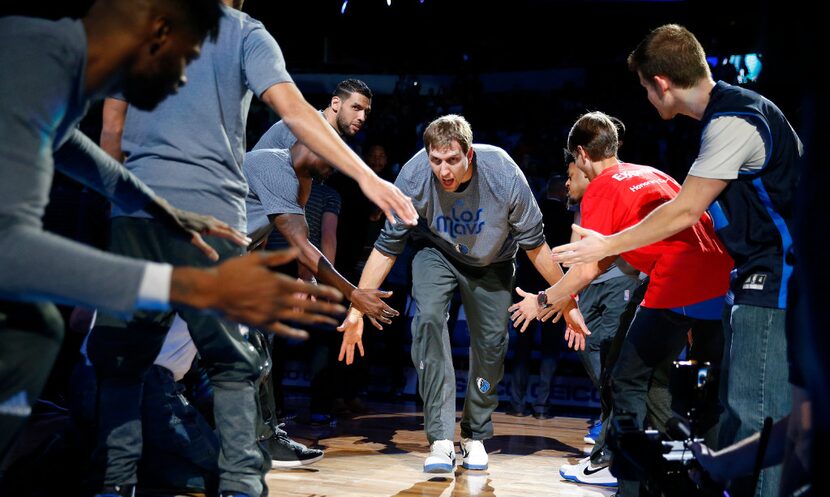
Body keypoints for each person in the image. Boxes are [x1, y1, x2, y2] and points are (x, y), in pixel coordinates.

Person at [0, 0, 344, 463]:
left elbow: (76, 146)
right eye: (181, 63)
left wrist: (154, 209)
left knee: (44, 328)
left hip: (161, 239)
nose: (183, 79)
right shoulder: (35, 58)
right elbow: (15, 251)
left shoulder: (64, 78)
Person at [86, 6, 410, 497]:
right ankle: (239, 480)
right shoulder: (246, 40)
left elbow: (111, 131)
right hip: (208, 213)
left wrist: (121, 208)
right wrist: (369, 178)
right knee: (232, 362)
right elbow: (297, 117)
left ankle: (120, 482)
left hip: (141, 208)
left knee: (129, 360)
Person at [551, 25, 802, 497]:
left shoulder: (735, 119)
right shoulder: (727, 118)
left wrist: (604, 245)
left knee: (754, 415)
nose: (646, 98)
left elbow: (685, 210)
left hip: (773, 280)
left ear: (661, 82)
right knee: (736, 412)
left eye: (645, 88)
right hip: (741, 278)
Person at [337, 114, 587, 473]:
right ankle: (440, 439)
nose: (443, 170)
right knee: (426, 321)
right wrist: (356, 311)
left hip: (494, 261)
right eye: (436, 161)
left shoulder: (503, 173)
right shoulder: (413, 176)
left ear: (469, 154)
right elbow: (387, 247)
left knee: (491, 343)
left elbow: (536, 247)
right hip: (436, 253)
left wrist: (567, 302)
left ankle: (474, 436)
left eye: (452, 159)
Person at [511, 111, 732, 496]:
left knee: (626, 378)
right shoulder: (652, 172)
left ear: (581, 154)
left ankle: (631, 480)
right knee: (692, 385)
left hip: (678, 283)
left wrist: (544, 300)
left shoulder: (600, 189)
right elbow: (610, 256)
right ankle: (692, 477)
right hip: (718, 280)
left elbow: (585, 270)